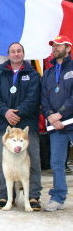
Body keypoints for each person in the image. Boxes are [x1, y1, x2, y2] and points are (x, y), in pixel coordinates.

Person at [0, 42, 42, 211]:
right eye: (13, 51)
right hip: (5, 125)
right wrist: (6, 112)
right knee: (3, 162)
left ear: (23, 53)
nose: (16, 54)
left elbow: (33, 98)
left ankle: (33, 196)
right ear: (8, 55)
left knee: (32, 160)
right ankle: (5, 197)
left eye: (19, 51)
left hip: (27, 125)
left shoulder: (33, 75)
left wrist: (17, 113)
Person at [41, 35, 73, 211]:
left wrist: (60, 114)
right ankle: (58, 197)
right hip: (56, 126)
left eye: (59, 45)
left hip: (70, 121)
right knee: (56, 163)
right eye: (53, 45)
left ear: (68, 48)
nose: (55, 48)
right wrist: (50, 116)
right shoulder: (48, 73)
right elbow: (43, 99)